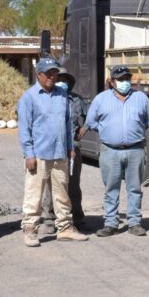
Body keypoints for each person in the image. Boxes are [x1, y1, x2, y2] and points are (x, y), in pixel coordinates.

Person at [17, 57, 88, 247]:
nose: (52, 76)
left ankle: (65, 228)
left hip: (60, 153)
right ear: (38, 75)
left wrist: (70, 148)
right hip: (39, 154)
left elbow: (67, 124)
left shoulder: (62, 96)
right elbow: (24, 128)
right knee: (34, 194)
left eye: (54, 73)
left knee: (62, 193)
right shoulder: (29, 97)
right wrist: (29, 154)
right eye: (48, 73)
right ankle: (30, 230)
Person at [82, 66, 149, 237]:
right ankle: (110, 223)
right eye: (121, 79)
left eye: (127, 78)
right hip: (110, 151)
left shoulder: (141, 98)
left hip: (135, 150)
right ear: (112, 81)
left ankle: (135, 223)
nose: (125, 82)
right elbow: (91, 122)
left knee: (135, 188)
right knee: (111, 189)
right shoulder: (100, 99)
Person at [39, 67, 87, 233]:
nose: (62, 82)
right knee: (51, 184)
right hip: (51, 147)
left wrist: (84, 128)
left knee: (73, 184)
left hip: (72, 148)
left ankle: (76, 217)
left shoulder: (77, 100)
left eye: (65, 80)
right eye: (59, 78)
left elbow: (89, 116)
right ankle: (49, 219)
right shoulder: (45, 99)